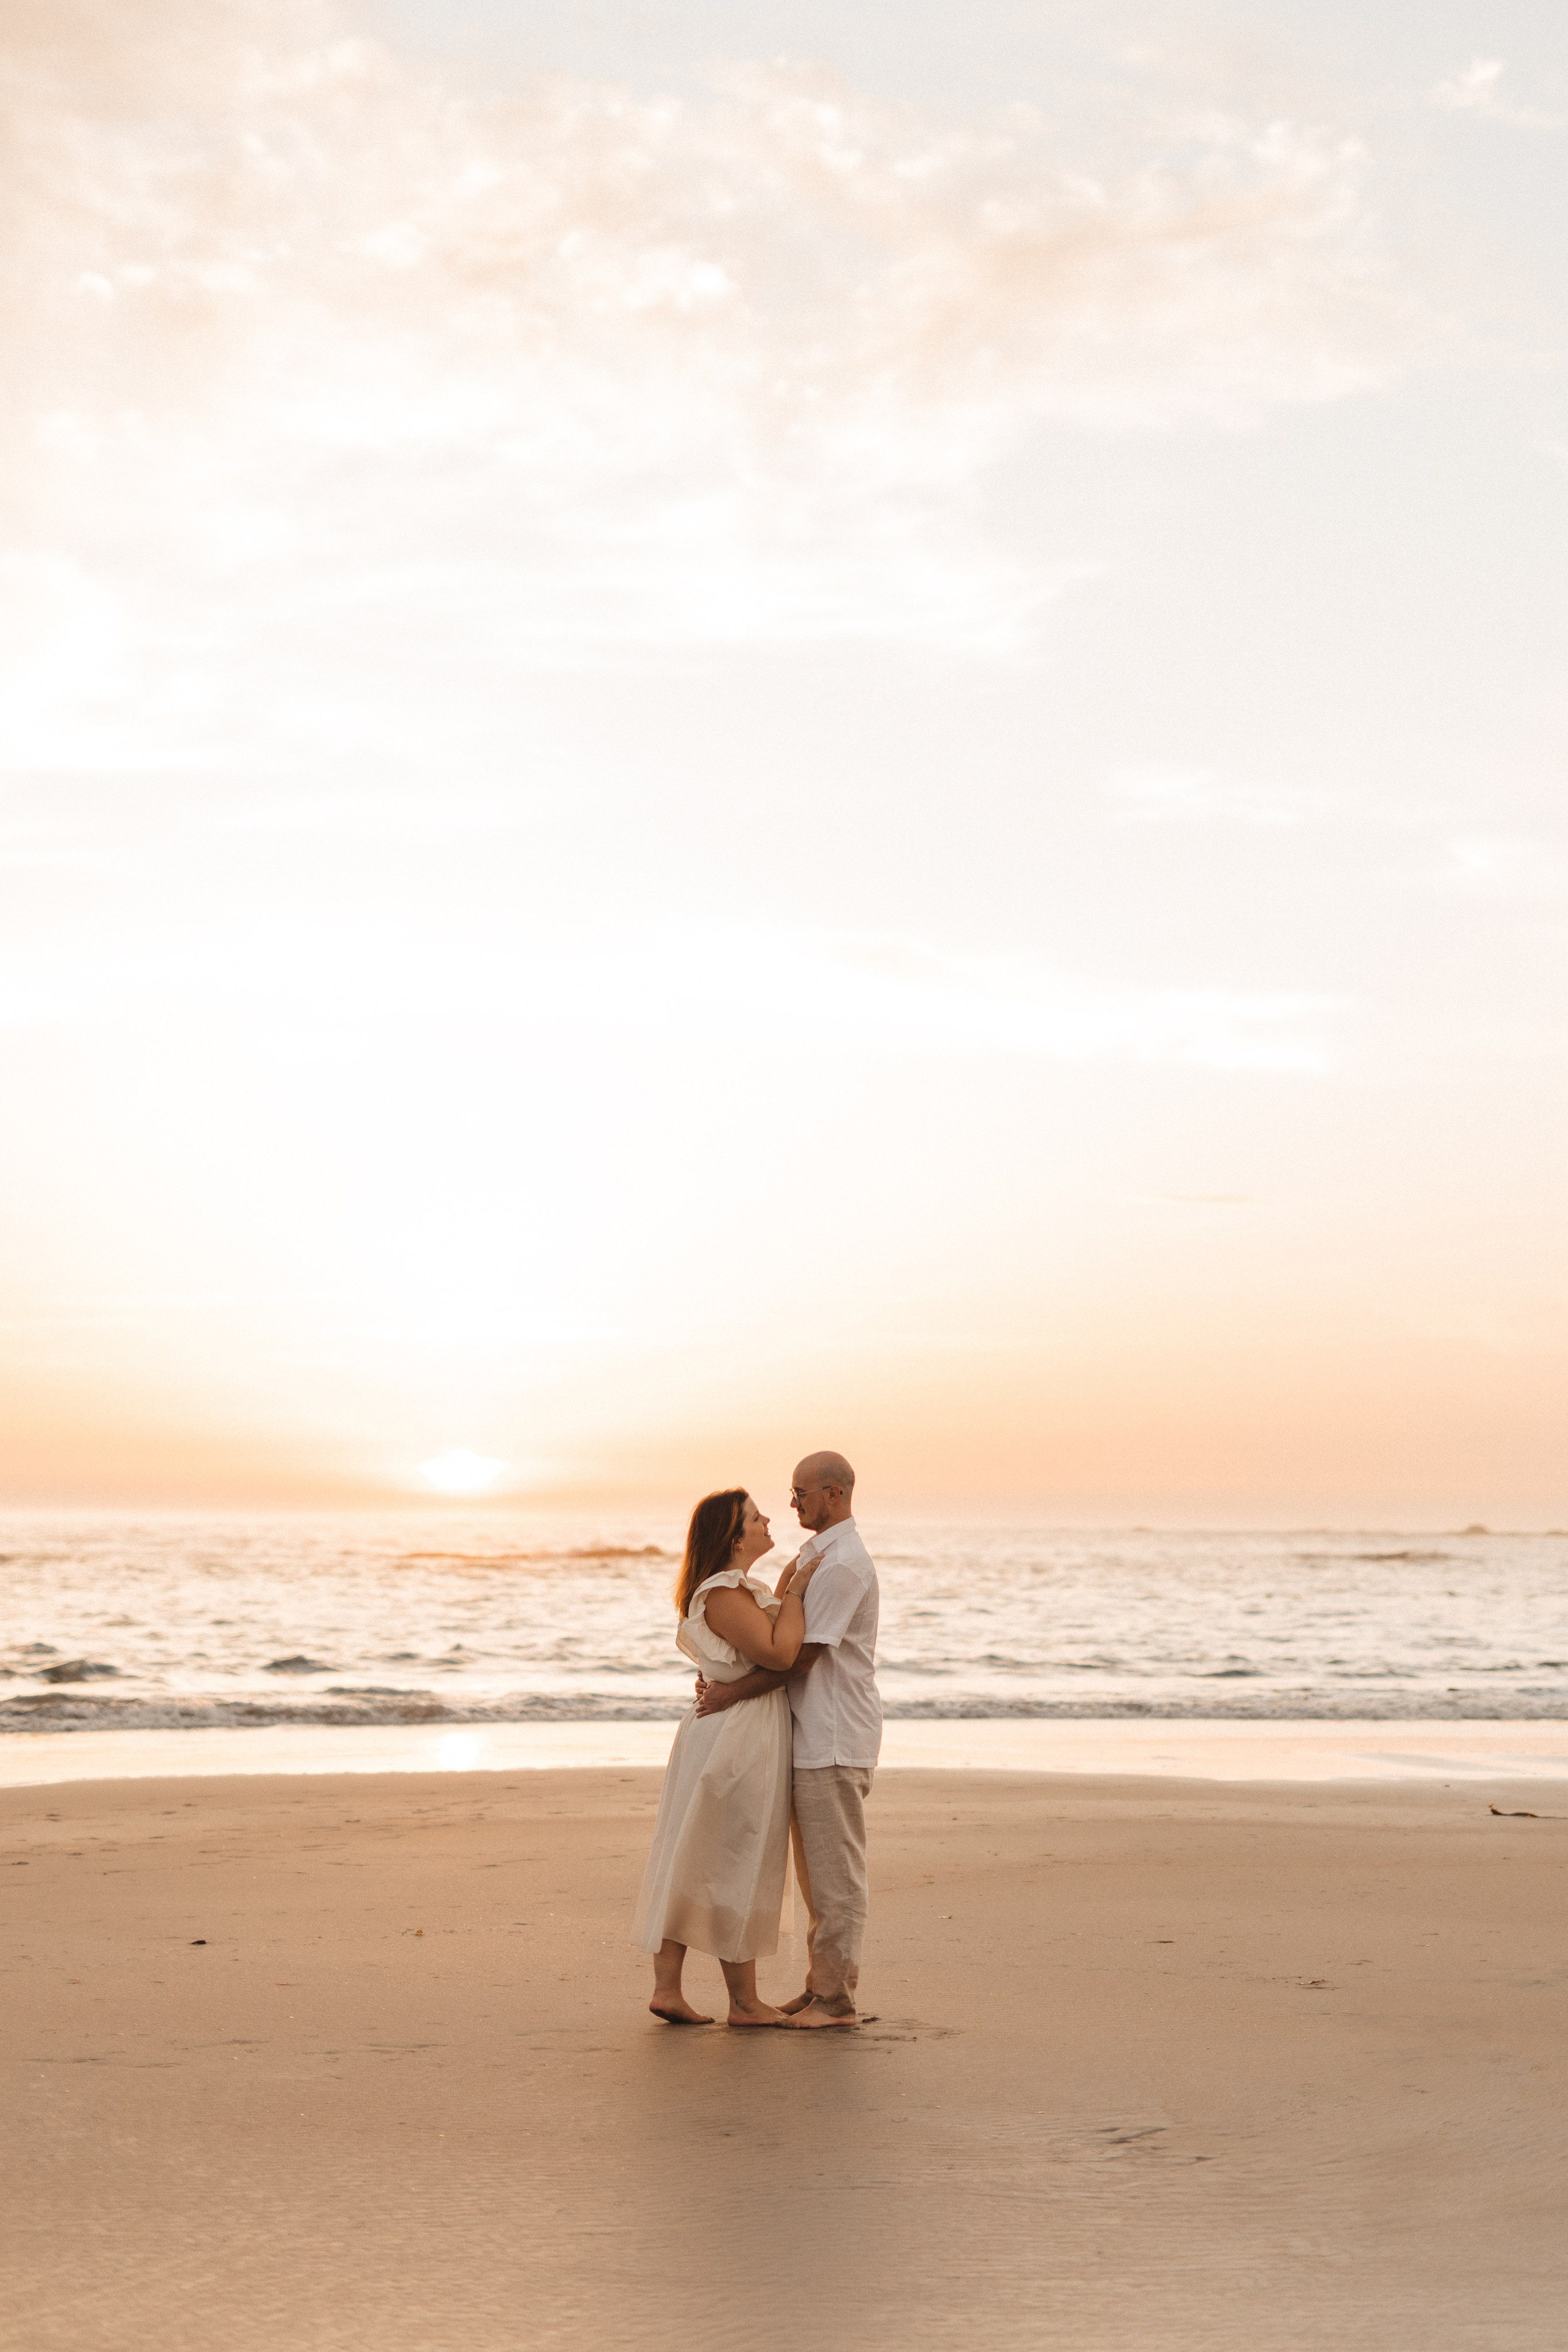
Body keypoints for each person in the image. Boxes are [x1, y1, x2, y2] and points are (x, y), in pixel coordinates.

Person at [695, 1451, 880, 2030]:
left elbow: (800, 1658)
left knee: (835, 1877)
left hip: (832, 1734)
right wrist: (722, 1672)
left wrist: (731, 1694)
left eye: (801, 1493)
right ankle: (820, 1987)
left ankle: (836, 2002)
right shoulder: (814, 1556)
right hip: (809, 1735)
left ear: (834, 1494)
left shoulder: (843, 1564)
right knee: (814, 1877)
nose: (792, 1503)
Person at [631, 1487, 821, 2027]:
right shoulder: (724, 1592)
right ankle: (741, 2002)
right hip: (736, 1738)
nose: (767, 1520)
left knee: (697, 1854)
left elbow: (750, 1653)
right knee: (734, 1857)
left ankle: (671, 1989)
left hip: (730, 1730)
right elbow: (782, 1654)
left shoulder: (736, 1589)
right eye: (754, 1517)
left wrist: (785, 1588)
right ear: (735, 1537)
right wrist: (800, 1595)